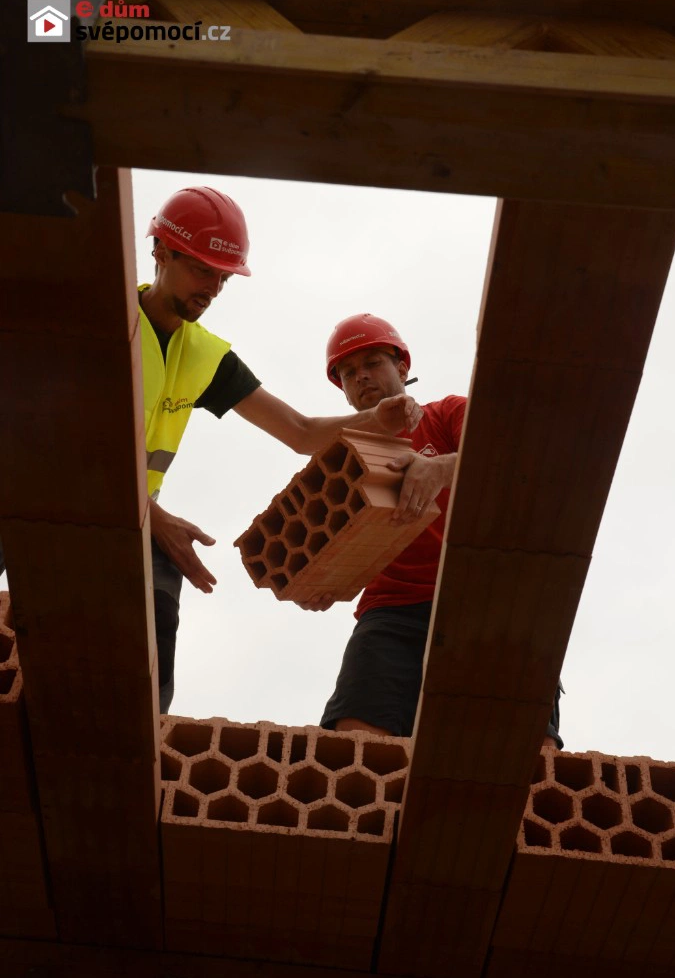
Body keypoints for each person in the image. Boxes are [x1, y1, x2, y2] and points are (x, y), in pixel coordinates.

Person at [0, 190, 421, 714]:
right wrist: (155, 515)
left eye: (223, 278)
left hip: (122, 514)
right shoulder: (99, 320)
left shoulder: (204, 355)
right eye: (203, 271)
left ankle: (138, 728)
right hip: (31, 485)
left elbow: (299, 430)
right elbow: (53, 446)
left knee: (158, 581)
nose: (213, 289)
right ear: (162, 252)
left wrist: (372, 420)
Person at [299, 313, 563, 748]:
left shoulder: (446, 415)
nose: (361, 376)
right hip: (393, 610)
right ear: (342, 390)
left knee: (529, 749)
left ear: (402, 367)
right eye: (348, 373)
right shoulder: (341, 459)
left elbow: (518, 458)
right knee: (354, 742)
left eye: (372, 363)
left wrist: (440, 467)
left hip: (484, 596)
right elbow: (338, 548)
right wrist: (323, 582)